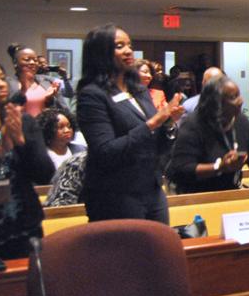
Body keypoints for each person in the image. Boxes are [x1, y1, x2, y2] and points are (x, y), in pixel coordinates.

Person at [76, 24, 184, 223]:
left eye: (129, 45)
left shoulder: (139, 90)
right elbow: (106, 151)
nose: (128, 50)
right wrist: (153, 122)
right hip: (115, 193)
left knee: (159, 249)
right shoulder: (92, 95)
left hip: (150, 186)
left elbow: (156, 142)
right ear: (101, 53)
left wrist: (168, 123)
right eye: (119, 46)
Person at [0, 58, 54, 260]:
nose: (0, 84)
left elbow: (45, 175)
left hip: (23, 230)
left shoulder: (22, 121)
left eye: (2, 78)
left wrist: (22, 143)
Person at [168, 76, 249, 194]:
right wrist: (220, 167)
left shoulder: (241, 121)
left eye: (238, 95)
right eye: (233, 97)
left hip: (230, 191)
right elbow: (182, 168)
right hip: (195, 195)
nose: (240, 100)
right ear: (216, 103)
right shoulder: (193, 125)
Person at [6, 44, 61, 117]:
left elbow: (59, 109)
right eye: (27, 59)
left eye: (35, 60)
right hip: (20, 126)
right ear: (15, 63)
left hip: (43, 127)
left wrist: (50, 99)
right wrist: (23, 90)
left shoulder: (45, 82)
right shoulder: (8, 83)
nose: (32, 63)